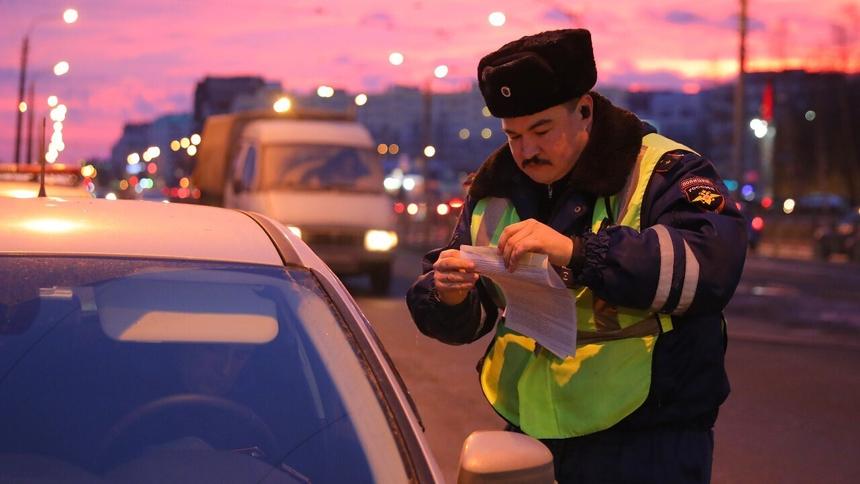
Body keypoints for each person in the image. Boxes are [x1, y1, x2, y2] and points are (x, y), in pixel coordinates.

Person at [406, 29, 747, 483]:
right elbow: (475, 310)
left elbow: (710, 269)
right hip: (532, 431)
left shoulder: (666, 170)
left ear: (584, 110)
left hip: (647, 441)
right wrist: (449, 295)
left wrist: (577, 252)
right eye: (513, 135)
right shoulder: (496, 187)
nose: (526, 151)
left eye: (541, 130)